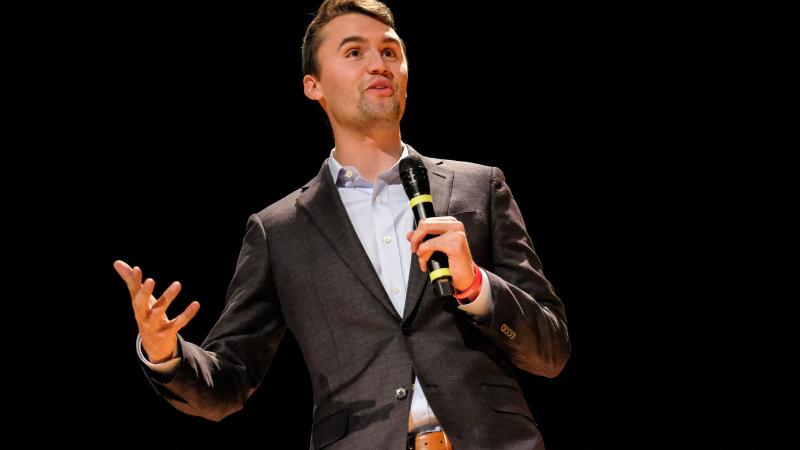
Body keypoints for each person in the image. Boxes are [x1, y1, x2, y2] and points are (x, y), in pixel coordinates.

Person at [114, 1, 570, 448]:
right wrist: (166, 354)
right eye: (355, 52)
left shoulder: (479, 187)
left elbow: (550, 352)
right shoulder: (281, 230)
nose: (379, 63)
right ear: (314, 86)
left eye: (390, 51)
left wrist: (478, 287)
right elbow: (229, 381)